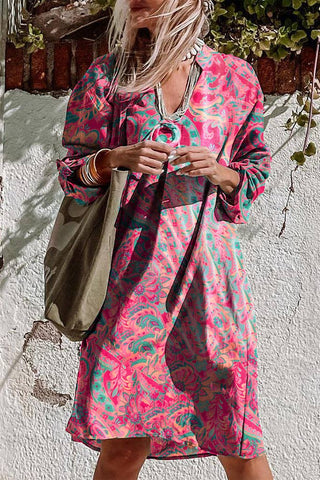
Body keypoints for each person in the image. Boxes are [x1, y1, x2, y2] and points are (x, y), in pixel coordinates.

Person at [56, 1, 274, 479]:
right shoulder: (107, 79)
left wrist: (222, 171)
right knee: (123, 444)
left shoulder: (234, 78)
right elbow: (73, 175)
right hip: (128, 286)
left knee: (236, 436)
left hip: (210, 284)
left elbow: (255, 171)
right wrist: (114, 158)